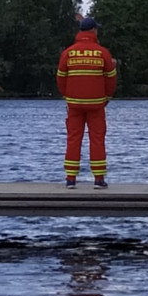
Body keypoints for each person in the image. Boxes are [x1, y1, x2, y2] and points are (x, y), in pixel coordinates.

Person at [56, 17, 117, 189]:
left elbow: (60, 77)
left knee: (73, 139)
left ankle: (70, 179)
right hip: (96, 104)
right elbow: (111, 79)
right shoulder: (102, 52)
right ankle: (98, 179)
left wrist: (67, 96)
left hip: (74, 104)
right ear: (93, 31)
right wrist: (107, 97)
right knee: (97, 139)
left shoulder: (68, 52)